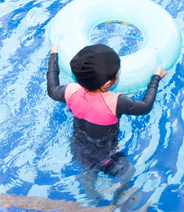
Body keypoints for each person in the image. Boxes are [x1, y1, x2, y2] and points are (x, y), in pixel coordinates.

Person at [47, 43, 168, 207]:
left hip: (78, 147)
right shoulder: (116, 101)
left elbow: (52, 88)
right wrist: (156, 79)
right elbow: (145, 107)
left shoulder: (71, 91)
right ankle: (118, 200)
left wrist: (53, 56)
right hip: (107, 153)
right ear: (108, 84)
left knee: (88, 171)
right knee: (129, 173)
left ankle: (93, 198)